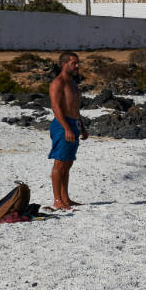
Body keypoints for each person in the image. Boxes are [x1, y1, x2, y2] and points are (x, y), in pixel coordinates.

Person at [48, 51, 86, 210]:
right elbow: (55, 107)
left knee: (68, 163)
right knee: (60, 163)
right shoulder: (58, 82)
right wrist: (66, 128)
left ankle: (65, 198)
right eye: (74, 63)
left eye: (78, 63)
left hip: (73, 124)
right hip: (62, 125)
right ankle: (57, 200)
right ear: (64, 64)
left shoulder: (72, 83)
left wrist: (81, 126)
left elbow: (75, 108)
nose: (77, 66)